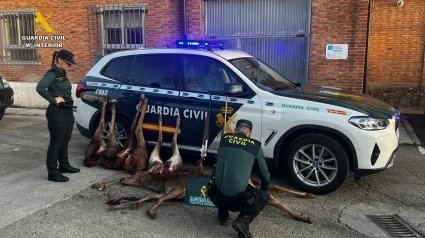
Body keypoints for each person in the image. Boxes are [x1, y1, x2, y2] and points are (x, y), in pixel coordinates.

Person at [207, 119, 271, 238]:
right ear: (249, 134)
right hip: (237, 202)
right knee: (264, 197)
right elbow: (265, 176)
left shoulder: (224, 139)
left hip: (214, 195)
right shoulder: (255, 146)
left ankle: (222, 214)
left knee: (221, 178)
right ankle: (243, 221)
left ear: (235, 131)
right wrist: (263, 192)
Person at [36, 49, 80, 182]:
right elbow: (40, 87)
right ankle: (53, 173)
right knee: (56, 143)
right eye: (68, 63)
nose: (70, 66)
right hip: (57, 112)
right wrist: (53, 100)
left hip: (66, 110)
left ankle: (64, 165)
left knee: (65, 140)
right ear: (60, 60)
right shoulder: (52, 73)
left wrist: (68, 95)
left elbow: (60, 87)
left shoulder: (62, 72)